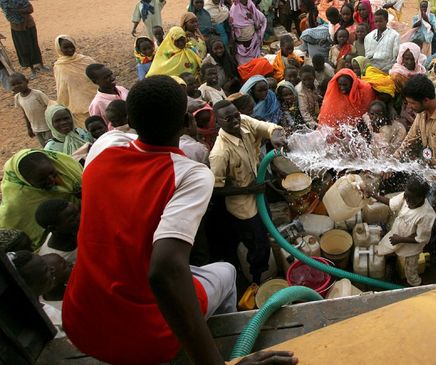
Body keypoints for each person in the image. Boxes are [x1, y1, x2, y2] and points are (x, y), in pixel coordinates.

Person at [63, 77, 289, 365]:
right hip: (149, 337)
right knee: (227, 272)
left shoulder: (104, 148)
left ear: (129, 119)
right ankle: (227, 346)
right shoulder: (191, 175)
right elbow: (165, 270)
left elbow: (131, 141)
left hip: (81, 321)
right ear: (186, 122)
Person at [210, 100, 287, 284]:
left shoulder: (243, 121)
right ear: (218, 122)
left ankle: (266, 267)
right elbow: (215, 191)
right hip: (243, 208)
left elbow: (267, 127)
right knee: (258, 244)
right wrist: (249, 189)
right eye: (228, 118)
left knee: (268, 231)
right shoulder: (220, 153)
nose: (235, 120)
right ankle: (256, 279)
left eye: (236, 114)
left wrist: (275, 137)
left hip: (259, 195)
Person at [0, 149, 82, 248]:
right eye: (42, 179)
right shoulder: (17, 204)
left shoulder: (64, 166)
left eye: (52, 173)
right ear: (26, 181)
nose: (52, 180)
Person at [371, 176, 435, 286]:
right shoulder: (408, 195)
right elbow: (390, 202)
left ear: (421, 198)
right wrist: (373, 195)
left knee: (410, 270)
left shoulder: (426, 215)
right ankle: (387, 257)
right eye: (406, 197)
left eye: (412, 199)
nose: (408, 201)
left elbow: (420, 238)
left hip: (411, 248)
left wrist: (400, 239)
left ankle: (414, 285)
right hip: (396, 234)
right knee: (383, 247)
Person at [394, 75, 436, 176]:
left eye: (412, 103)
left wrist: (428, 180)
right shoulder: (422, 111)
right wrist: (393, 160)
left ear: (426, 100)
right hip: (428, 167)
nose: (409, 107)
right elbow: (410, 139)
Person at [0, 0, 47, 77]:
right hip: (17, 28)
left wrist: (16, 11)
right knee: (24, 48)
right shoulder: (2, 0)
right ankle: (32, 69)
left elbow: (30, 9)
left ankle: (41, 65)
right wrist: (20, 11)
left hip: (29, 25)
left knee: (34, 45)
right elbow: (8, 13)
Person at [53, 35, 97, 125]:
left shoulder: (86, 60)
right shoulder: (59, 67)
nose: (70, 50)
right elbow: (62, 89)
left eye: (71, 46)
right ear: (59, 48)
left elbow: (98, 75)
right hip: (77, 108)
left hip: (95, 101)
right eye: (65, 47)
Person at [11, 72, 53, 147]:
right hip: (36, 128)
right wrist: (29, 128)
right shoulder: (17, 97)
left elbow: (50, 106)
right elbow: (25, 113)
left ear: (26, 81)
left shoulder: (37, 94)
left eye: (19, 83)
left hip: (48, 126)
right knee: (45, 147)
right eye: (13, 85)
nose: (17, 86)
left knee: (52, 145)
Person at [229, 0, 267, 64]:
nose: (243, 0)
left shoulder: (251, 7)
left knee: (254, 62)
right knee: (243, 64)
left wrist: (254, 20)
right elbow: (232, 25)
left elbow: (262, 19)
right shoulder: (234, 9)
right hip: (240, 43)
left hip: (252, 41)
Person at [35, 199, 79, 263]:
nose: (80, 217)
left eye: (78, 211)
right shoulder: (56, 261)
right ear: (53, 228)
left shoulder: (71, 230)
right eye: (72, 219)